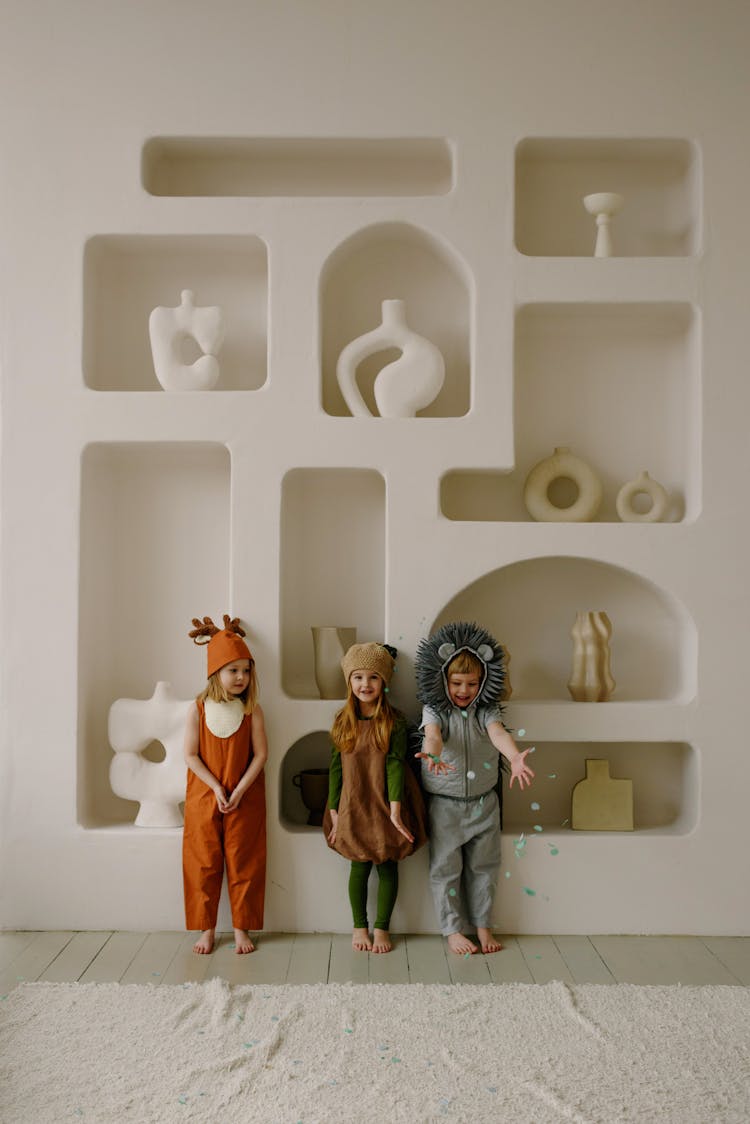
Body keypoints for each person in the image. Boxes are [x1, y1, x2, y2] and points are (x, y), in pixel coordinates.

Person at [414, 621, 534, 956]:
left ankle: (483, 925)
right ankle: (452, 930)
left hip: (484, 803)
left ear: (482, 683)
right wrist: (432, 754)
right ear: (444, 681)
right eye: (457, 683)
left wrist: (514, 756)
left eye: (471, 683)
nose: (464, 690)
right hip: (445, 804)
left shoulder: (486, 710)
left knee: (485, 867)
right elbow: (433, 735)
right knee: (445, 869)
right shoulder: (435, 709)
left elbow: (498, 733)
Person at [323, 642, 427, 954]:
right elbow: (335, 769)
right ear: (349, 681)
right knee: (359, 864)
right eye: (358, 677)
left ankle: (382, 927)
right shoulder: (342, 720)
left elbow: (396, 765)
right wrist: (333, 811)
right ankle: (359, 926)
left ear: (384, 681)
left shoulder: (393, 721)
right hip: (353, 801)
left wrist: (395, 811)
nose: (365, 684)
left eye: (372, 678)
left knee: (387, 864)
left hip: (387, 800)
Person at [182, 614, 267, 955]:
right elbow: (190, 755)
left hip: (245, 795)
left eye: (246, 671)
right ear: (215, 672)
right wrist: (217, 788)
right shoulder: (198, 709)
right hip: (205, 795)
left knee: (244, 859)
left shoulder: (253, 710)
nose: (241, 678)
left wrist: (239, 789)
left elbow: (261, 755)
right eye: (234, 670)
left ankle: (241, 929)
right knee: (203, 860)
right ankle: (207, 929)